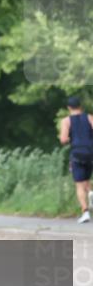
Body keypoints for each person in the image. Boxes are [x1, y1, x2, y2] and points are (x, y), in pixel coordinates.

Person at [59, 96, 93, 224]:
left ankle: (85, 212)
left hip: (77, 154)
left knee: (79, 184)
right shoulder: (89, 117)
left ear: (68, 107)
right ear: (80, 106)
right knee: (86, 180)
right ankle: (91, 192)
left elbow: (63, 139)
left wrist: (72, 138)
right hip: (90, 153)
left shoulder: (66, 121)